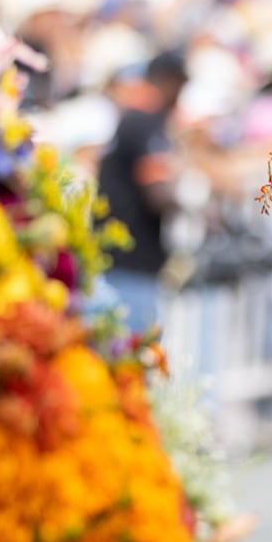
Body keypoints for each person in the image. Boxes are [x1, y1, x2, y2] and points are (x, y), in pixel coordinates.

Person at [95, 49, 187, 334]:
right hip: (130, 263)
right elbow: (158, 194)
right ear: (171, 82)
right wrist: (193, 203)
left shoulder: (136, 116)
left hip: (120, 259)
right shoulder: (145, 119)